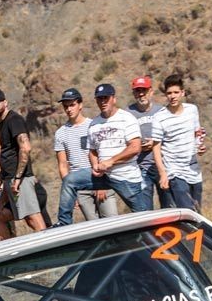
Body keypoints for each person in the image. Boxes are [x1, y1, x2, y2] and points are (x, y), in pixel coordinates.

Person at [0, 88, 47, 231]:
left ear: (5, 102)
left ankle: (51, 244)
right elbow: (9, 153)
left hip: (21, 179)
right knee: (28, 219)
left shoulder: (14, 120)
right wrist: (2, 177)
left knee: (33, 217)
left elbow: (25, 148)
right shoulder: (2, 124)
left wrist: (18, 178)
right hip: (11, 179)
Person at [87, 83, 152, 213]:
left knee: (143, 213)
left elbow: (135, 147)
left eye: (106, 98)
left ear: (114, 99)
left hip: (126, 176)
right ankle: (63, 222)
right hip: (104, 176)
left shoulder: (126, 118)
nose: (103, 101)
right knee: (71, 182)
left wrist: (111, 161)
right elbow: (92, 150)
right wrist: (95, 166)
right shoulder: (93, 124)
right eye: (100, 98)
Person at [52, 88, 113, 224]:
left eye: (72, 105)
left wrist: (101, 183)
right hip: (80, 187)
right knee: (92, 227)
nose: (69, 109)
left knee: (112, 222)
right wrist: (70, 193)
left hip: (99, 179)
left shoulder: (94, 125)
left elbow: (102, 153)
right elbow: (63, 165)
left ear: (80, 105)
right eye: (66, 106)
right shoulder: (60, 133)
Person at [151, 74, 206, 211]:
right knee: (187, 210)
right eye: (169, 93)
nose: (173, 96)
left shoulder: (192, 110)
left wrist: (200, 147)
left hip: (193, 169)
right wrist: (163, 174)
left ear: (182, 93)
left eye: (176, 92)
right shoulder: (159, 117)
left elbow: (197, 133)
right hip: (174, 171)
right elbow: (156, 148)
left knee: (197, 211)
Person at [127, 76, 166, 207]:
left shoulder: (162, 111)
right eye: (138, 91)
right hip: (140, 167)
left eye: (144, 90)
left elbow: (170, 136)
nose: (141, 94)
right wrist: (136, 145)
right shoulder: (127, 114)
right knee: (145, 209)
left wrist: (155, 143)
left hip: (162, 165)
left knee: (169, 206)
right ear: (134, 93)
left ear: (151, 92)